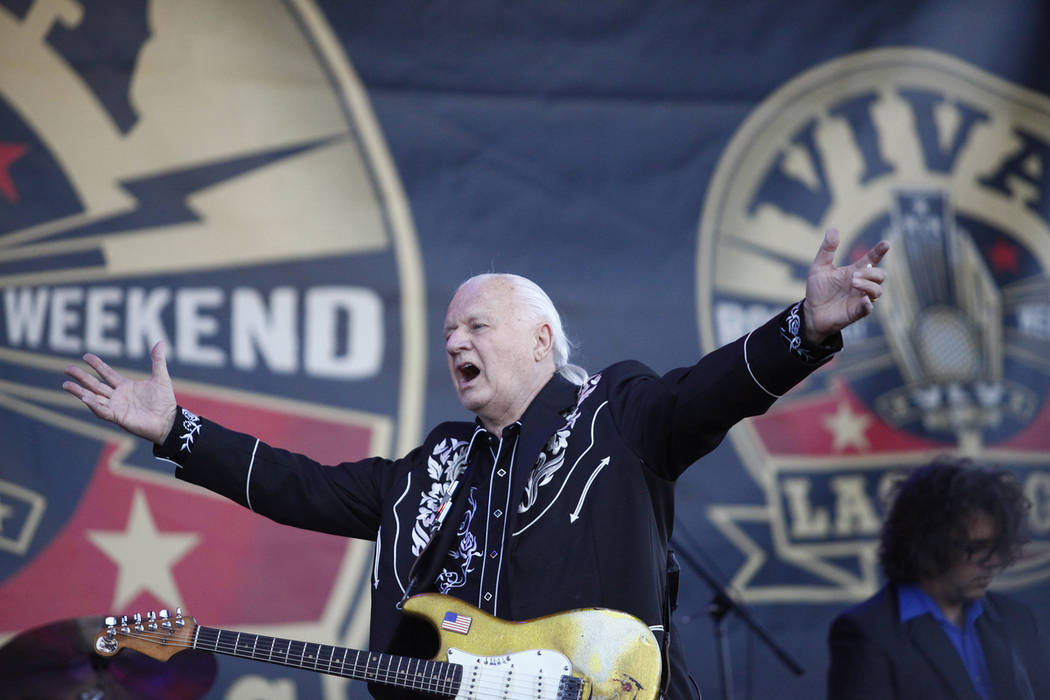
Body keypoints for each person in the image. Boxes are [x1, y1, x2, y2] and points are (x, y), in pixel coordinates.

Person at [64, 228, 888, 700]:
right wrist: (177, 429)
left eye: (478, 326)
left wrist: (803, 330)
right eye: (450, 330)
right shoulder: (434, 468)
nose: (455, 340)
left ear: (541, 339)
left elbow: (709, 393)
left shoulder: (619, 413)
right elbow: (302, 486)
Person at [826, 458, 1050, 700]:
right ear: (928, 542)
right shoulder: (869, 633)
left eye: (997, 547)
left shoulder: (1014, 618)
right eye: (976, 548)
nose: (993, 562)